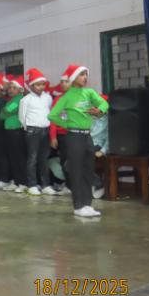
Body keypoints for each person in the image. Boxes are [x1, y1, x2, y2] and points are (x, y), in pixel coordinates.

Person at [48, 65, 109, 217]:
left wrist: (100, 110)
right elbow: (52, 115)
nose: (85, 77)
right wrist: (68, 125)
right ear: (73, 78)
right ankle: (78, 206)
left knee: (88, 170)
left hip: (88, 137)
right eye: (81, 74)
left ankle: (87, 205)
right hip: (73, 137)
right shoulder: (66, 97)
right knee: (76, 171)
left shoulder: (89, 92)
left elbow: (104, 103)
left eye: (85, 74)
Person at [19, 69, 57, 196]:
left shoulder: (48, 98)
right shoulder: (26, 100)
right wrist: (29, 129)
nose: (41, 87)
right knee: (32, 158)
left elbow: (50, 112)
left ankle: (46, 185)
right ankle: (32, 185)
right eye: (38, 84)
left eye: (43, 84)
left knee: (44, 158)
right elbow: (22, 117)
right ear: (31, 86)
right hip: (32, 131)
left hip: (46, 131)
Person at [0, 75, 28, 193]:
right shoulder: (11, 100)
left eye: (14, 88)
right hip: (9, 131)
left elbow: (7, 111)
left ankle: (23, 182)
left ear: (20, 89)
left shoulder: (20, 99)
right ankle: (16, 181)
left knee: (19, 158)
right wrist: (6, 112)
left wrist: (6, 111)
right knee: (12, 157)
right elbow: (1, 115)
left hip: (17, 131)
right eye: (10, 87)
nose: (10, 89)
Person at [49, 72, 72, 194]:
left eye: (66, 81)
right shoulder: (57, 99)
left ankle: (75, 186)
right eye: (61, 82)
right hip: (61, 135)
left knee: (74, 161)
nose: (63, 84)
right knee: (64, 161)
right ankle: (68, 186)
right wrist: (53, 137)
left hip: (75, 134)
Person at [90, 94, 109, 199]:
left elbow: (110, 138)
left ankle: (97, 185)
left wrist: (102, 151)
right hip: (86, 144)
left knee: (81, 160)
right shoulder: (89, 118)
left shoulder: (109, 120)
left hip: (97, 145)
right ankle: (96, 182)